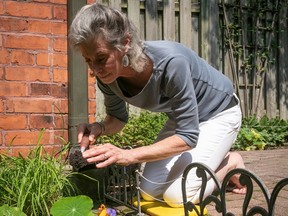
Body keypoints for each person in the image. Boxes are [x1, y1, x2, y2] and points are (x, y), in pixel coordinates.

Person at [69, 3, 246, 207]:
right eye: (88, 60)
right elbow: (117, 119)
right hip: (183, 119)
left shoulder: (171, 63)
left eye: (101, 58)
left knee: (179, 196)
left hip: (219, 112)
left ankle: (231, 161)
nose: (94, 69)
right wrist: (98, 128)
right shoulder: (108, 78)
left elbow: (188, 136)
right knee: (148, 190)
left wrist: (128, 155)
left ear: (125, 43)